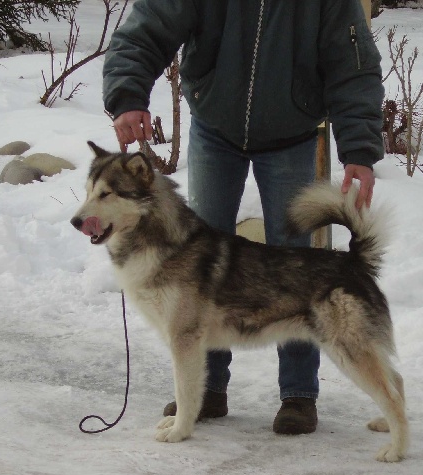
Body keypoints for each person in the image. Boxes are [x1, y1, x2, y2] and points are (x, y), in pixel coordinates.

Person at [103, 0, 384, 435]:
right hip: (215, 130)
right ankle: (207, 389)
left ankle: (298, 395)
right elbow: (148, 28)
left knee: (299, 263)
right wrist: (127, 95)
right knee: (196, 266)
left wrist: (360, 149)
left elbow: (353, 64)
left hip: (293, 135)